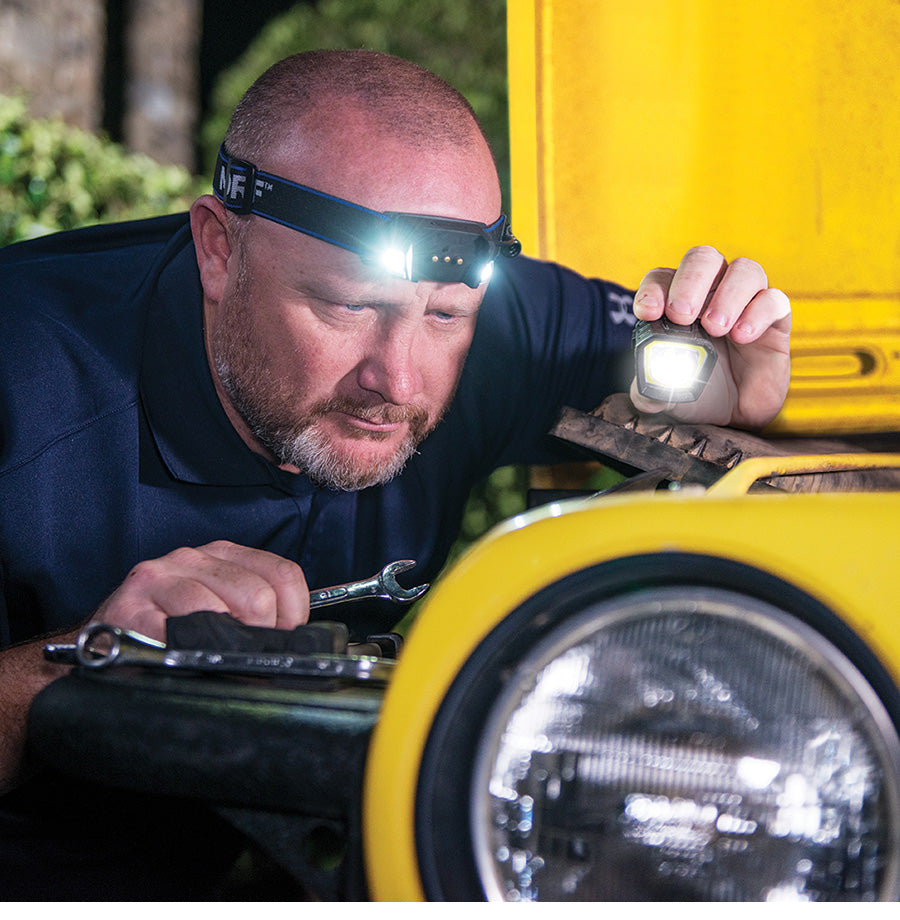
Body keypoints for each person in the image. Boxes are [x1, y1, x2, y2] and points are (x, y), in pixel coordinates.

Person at [0, 50, 790, 893]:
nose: (399, 381)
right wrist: (79, 660)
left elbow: (690, 393)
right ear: (219, 250)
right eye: (348, 305)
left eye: (445, 316)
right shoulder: (25, 375)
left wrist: (735, 390)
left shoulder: (497, 328)